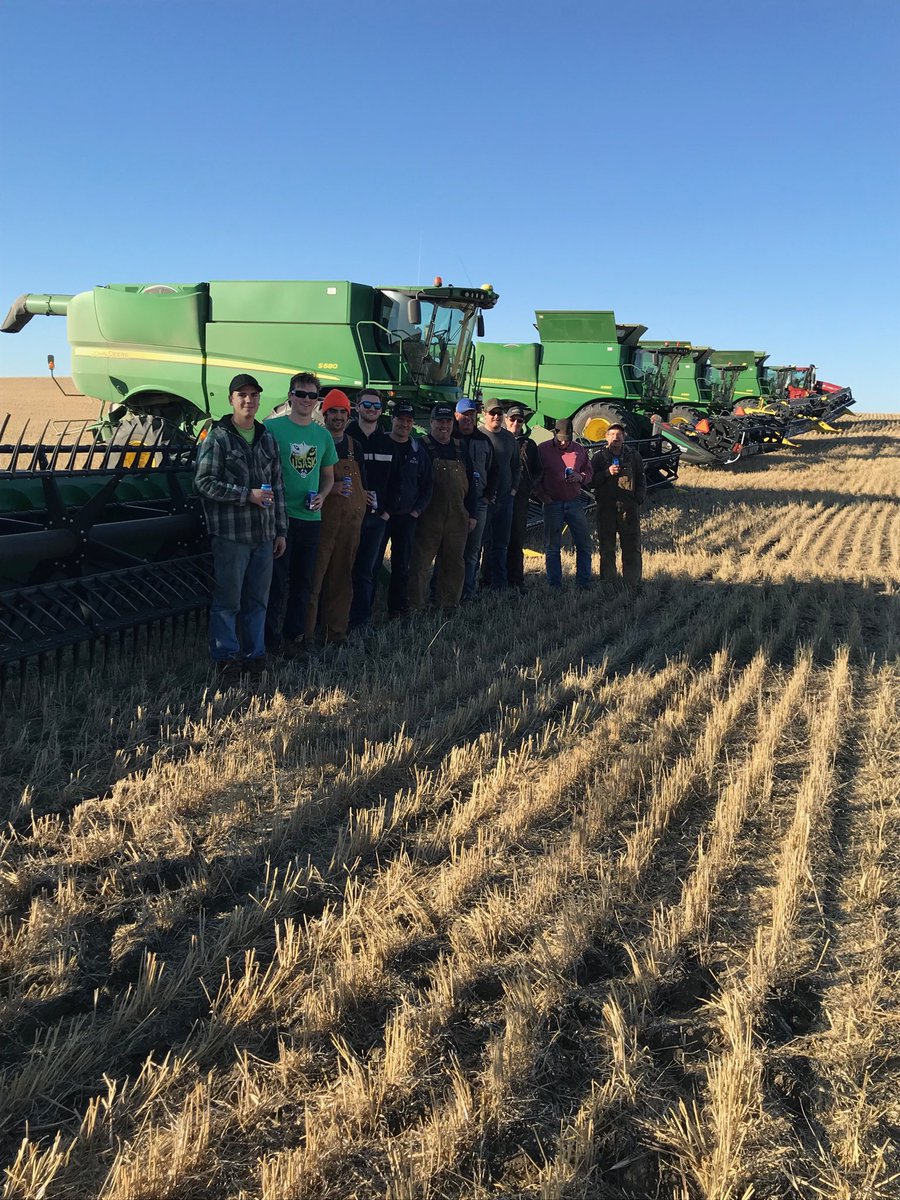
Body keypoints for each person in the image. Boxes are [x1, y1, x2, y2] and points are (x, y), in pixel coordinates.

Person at [194, 373, 287, 680]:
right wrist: (246, 495)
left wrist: (281, 531)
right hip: (232, 535)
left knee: (258, 601)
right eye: (242, 395)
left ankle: (254, 655)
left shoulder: (266, 438)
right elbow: (203, 482)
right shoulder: (219, 437)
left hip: (264, 535)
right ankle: (226, 657)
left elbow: (278, 487)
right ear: (231, 400)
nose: (249, 400)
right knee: (228, 602)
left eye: (254, 395)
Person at [264, 372, 337, 656]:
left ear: (317, 400)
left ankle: (294, 637)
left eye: (312, 395)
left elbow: (328, 476)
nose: (307, 400)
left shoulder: (323, 435)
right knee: (275, 583)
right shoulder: (271, 428)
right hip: (279, 518)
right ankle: (269, 640)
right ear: (290, 396)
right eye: (301, 394)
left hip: (309, 519)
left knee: (303, 582)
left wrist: (323, 495)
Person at [305, 391, 368, 643]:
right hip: (320, 522)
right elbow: (305, 480)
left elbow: (362, 484)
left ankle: (336, 631)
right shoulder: (316, 441)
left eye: (343, 412)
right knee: (313, 579)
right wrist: (332, 489)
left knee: (341, 578)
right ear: (325, 414)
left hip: (349, 525)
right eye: (333, 412)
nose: (339, 417)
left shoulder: (355, 447)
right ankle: (305, 634)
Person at [408, 404, 477, 612]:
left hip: (457, 516)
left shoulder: (460, 447)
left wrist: (472, 514)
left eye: (448, 422)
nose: (444, 426)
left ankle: (447, 604)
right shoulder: (421, 446)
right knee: (420, 563)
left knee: (453, 562)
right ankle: (416, 606)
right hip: (429, 515)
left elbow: (471, 484)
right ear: (431, 422)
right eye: (440, 421)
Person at [379, 401, 433, 618]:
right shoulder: (381, 444)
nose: (404, 424)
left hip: (406, 516)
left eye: (409, 421)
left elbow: (428, 485)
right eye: (400, 419)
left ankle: (397, 609)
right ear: (392, 419)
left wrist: (417, 511)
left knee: (402, 565)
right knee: (372, 563)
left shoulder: (418, 451)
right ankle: (368, 606)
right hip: (382, 516)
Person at [347, 389, 396, 628]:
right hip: (348, 517)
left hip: (376, 518)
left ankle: (361, 621)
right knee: (341, 569)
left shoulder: (387, 442)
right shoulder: (346, 437)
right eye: (367, 405)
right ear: (357, 407)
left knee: (366, 571)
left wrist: (387, 512)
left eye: (377, 406)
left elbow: (397, 481)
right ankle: (335, 619)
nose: (372, 409)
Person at [535, 418, 594, 588]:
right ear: (554, 433)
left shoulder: (579, 450)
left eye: (567, 440)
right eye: (560, 439)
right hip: (552, 502)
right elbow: (535, 475)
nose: (563, 443)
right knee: (552, 547)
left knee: (584, 544)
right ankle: (554, 584)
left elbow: (589, 471)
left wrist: (580, 477)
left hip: (574, 501)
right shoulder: (543, 449)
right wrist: (541, 495)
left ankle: (584, 582)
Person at [590, 423, 646, 586]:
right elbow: (590, 482)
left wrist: (638, 499)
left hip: (629, 509)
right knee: (607, 547)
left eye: (619, 434)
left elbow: (641, 479)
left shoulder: (633, 455)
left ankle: (632, 582)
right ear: (606, 437)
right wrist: (606, 473)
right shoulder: (598, 458)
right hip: (606, 509)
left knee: (632, 547)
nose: (616, 437)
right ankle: (608, 582)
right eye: (612, 434)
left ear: (624, 437)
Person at [454, 396, 496, 602]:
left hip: (479, 502)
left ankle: (467, 593)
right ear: (456, 416)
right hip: (454, 502)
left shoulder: (484, 440)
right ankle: (446, 591)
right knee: (451, 549)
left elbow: (494, 470)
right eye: (464, 414)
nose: (468, 418)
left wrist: (488, 496)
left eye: (471, 414)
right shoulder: (450, 439)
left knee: (472, 550)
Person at [479, 399, 521, 589]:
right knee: (479, 544)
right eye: (492, 413)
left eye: (499, 413)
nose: (496, 416)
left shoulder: (509, 438)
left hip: (505, 499)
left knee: (501, 544)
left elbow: (516, 466)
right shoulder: (479, 435)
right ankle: (478, 583)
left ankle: (499, 584)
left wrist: (513, 490)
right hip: (483, 500)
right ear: (484, 414)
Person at [504, 405, 542, 593]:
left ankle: (516, 580)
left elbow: (538, 470)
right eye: (512, 419)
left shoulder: (530, 444)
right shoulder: (498, 439)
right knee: (494, 541)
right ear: (506, 420)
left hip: (520, 499)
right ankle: (491, 580)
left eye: (519, 420)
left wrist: (529, 486)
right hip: (499, 498)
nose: (516, 423)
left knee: (516, 540)